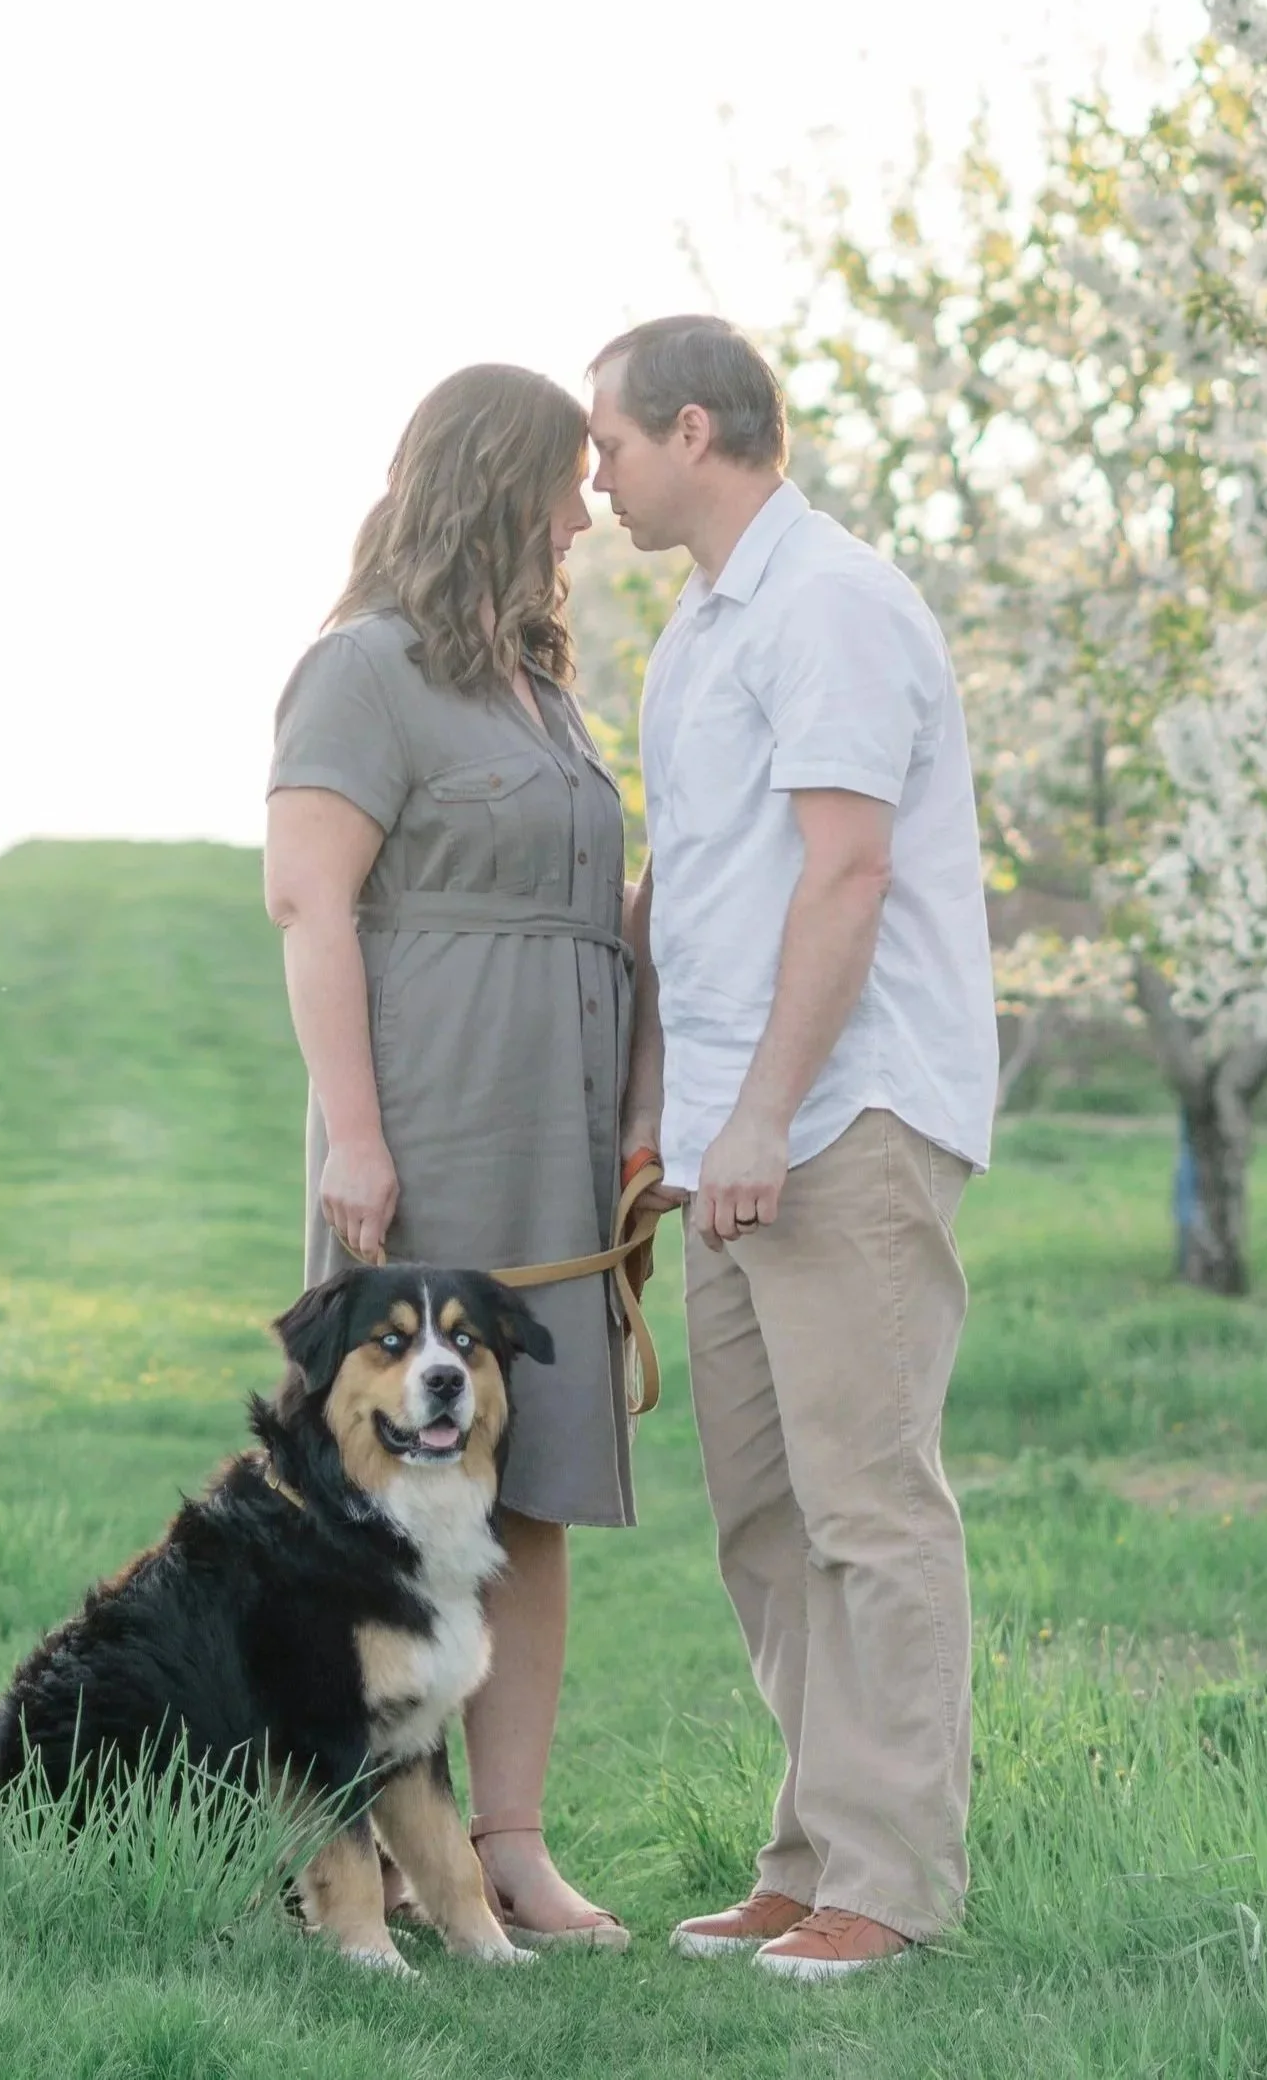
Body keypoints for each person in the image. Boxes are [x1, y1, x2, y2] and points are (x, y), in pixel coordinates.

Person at [589, 314, 997, 1980]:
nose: (596, 476)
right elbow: (695, 891)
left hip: (842, 1119)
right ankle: (811, 1852)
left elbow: (846, 875)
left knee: (868, 1509)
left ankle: (891, 1887)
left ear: (698, 430)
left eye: (611, 442)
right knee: (765, 1518)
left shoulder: (829, 604)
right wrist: (653, 1120)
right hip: (728, 1142)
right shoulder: (695, 633)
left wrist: (759, 1109)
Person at [264, 363, 636, 1950]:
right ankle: (361, 1854)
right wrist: (356, 1129)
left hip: (559, 1133)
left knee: (527, 1488)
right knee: (371, 1501)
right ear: (497, 481)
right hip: (428, 1116)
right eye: (565, 477)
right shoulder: (361, 670)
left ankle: (506, 1851)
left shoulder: (544, 690)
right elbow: (309, 901)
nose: (585, 508)